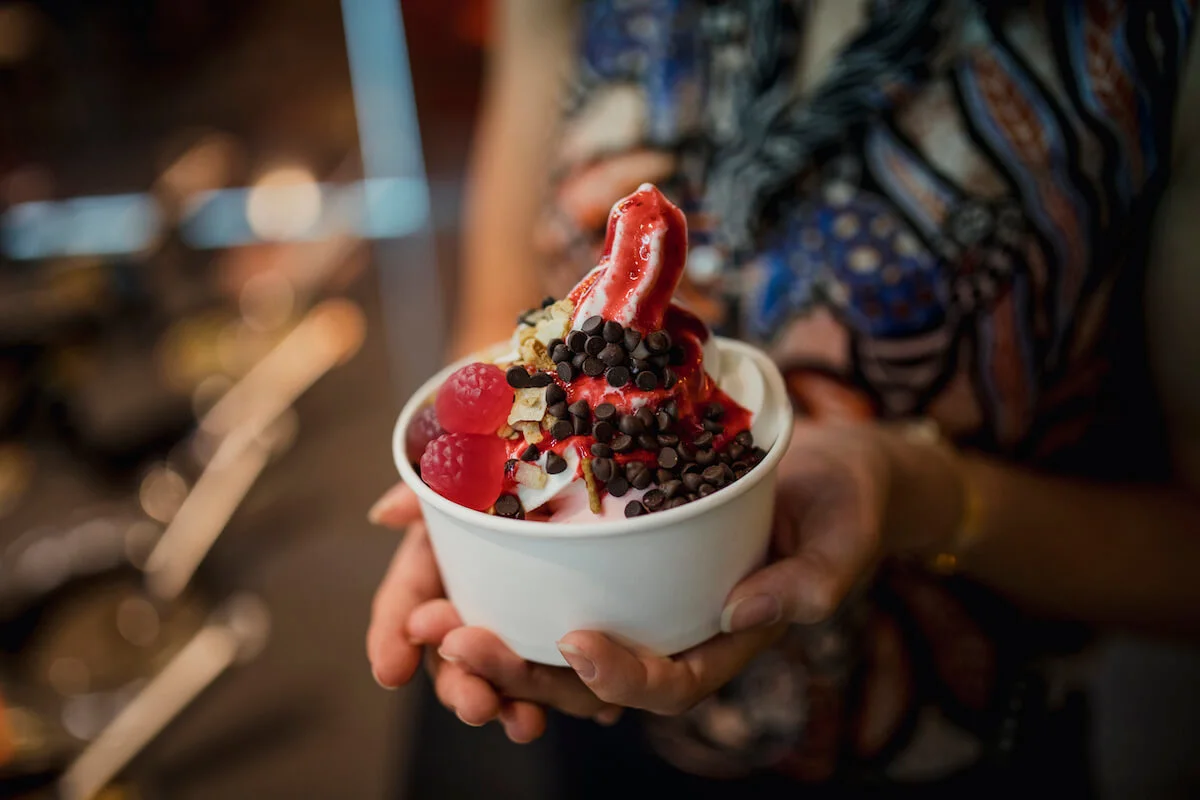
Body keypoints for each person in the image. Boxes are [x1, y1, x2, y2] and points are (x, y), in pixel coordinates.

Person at [368, 0, 1200, 794]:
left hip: (940, 749)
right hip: (582, 730)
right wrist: (465, 519)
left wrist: (926, 497)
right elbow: (496, 339)